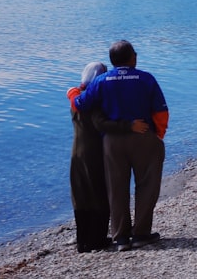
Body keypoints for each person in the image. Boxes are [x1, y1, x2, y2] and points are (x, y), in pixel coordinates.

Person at [70, 41, 169, 252]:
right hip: (143, 136)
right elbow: (161, 112)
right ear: (132, 57)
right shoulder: (146, 78)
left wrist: (72, 92)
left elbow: (80, 104)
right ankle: (141, 234)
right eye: (135, 53)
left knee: (116, 188)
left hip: (112, 141)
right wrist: (157, 135)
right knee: (147, 185)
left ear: (112, 61)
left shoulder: (101, 81)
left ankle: (121, 237)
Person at [66, 62, 147, 253]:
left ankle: (83, 240)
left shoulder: (76, 97)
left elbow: (74, 96)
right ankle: (97, 239)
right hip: (95, 153)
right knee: (99, 194)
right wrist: (130, 126)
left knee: (80, 196)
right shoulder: (95, 102)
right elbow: (103, 124)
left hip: (77, 153)